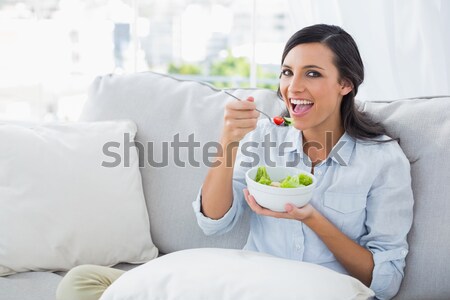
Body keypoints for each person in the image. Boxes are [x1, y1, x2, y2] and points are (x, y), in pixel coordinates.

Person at [192, 24, 413, 300]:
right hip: (254, 288)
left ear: (345, 84)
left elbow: (385, 283)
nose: (293, 87)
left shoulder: (382, 160)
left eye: (312, 73)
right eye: (287, 72)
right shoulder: (263, 136)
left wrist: (311, 217)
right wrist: (228, 142)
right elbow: (213, 222)